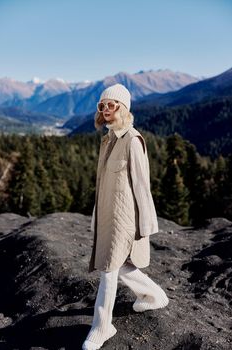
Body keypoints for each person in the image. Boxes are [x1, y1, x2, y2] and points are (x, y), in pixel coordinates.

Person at [82, 84, 169, 350]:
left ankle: (102, 325)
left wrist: (146, 225)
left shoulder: (133, 140)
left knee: (108, 268)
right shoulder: (108, 139)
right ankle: (155, 295)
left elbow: (143, 186)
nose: (106, 110)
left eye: (112, 105)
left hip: (125, 218)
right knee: (120, 266)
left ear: (123, 107)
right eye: (102, 106)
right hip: (108, 215)